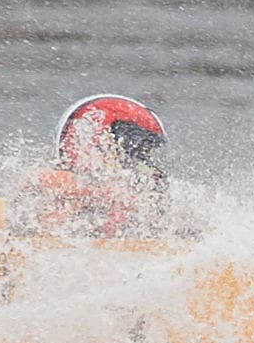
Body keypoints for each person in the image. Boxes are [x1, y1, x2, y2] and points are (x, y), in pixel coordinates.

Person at [27, 94, 169, 240]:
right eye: (142, 150)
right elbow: (36, 180)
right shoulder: (57, 180)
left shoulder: (122, 188)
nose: (143, 161)